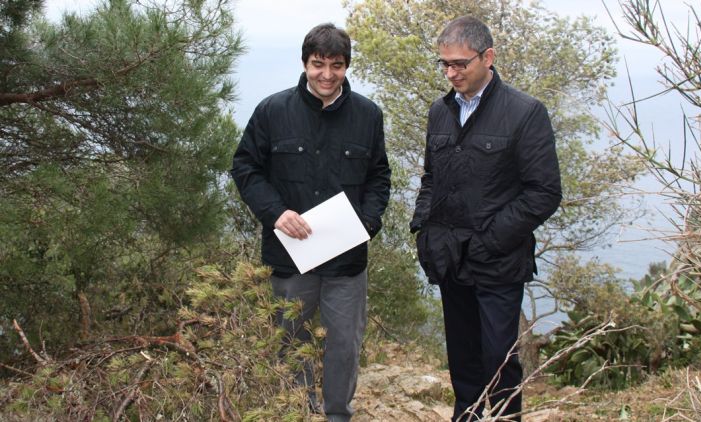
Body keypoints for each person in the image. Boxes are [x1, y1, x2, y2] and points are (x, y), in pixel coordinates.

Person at [231, 23, 391, 422]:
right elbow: (245, 167)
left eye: (336, 66)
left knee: (344, 346)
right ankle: (297, 412)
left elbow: (379, 178)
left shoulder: (368, 116)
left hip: (346, 262)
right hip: (288, 258)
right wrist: (275, 213)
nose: (326, 75)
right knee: (288, 342)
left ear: (346, 66)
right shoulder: (272, 111)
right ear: (305, 63)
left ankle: (338, 415)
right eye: (318, 64)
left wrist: (367, 223)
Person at [410, 16, 562, 421]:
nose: (451, 72)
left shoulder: (526, 112)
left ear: (488, 56)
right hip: (448, 257)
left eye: (460, 64)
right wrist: (422, 229)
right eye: (444, 64)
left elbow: (544, 193)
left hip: (498, 261)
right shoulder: (439, 112)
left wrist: (488, 240)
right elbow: (430, 178)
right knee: (463, 363)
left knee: (499, 361)